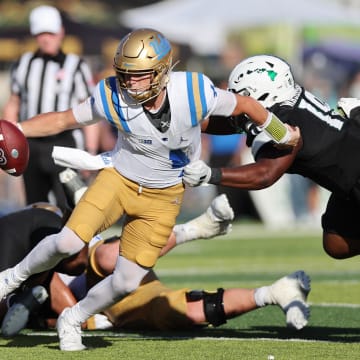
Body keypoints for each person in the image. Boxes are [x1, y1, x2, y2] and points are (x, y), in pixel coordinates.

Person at [0, 29, 299, 351]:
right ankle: (10, 279)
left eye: (139, 75)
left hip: (164, 194)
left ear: (161, 71)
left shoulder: (194, 91)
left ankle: (72, 318)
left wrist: (282, 134)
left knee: (127, 281)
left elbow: (246, 105)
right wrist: (16, 129)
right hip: (119, 179)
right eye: (125, 74)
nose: (130, 82)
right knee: (68, 241)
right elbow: (63, 120)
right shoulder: (112, 94)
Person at [0, 191, 310, 335]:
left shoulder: (51, 245)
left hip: (103, 274)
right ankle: (273, 293)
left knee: (105, 256)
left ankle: (194, 229)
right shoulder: (29, 257)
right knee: (183, 312)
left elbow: (58, 288)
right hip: (110, 307)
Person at [183, 54, 360, 262]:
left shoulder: (287, 121)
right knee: (336, 242)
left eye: (241, 97)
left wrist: (211, 174)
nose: (235, 103)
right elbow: (233, 122)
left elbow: (265, 174)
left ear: (260, 94)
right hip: (348, 180)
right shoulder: (285, 101)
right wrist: (185, 121)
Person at [2, 5, 98, 211]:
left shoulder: (76, 65)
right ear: (35, 35)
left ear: (61, 32)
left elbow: (89, 110)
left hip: (67, 144)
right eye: (41, 33)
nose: (46, 38)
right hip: (32, 145)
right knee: (35, 207)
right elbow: (14, 103)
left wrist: (90, 151)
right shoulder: (23, 64)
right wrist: (7, 142)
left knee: (72, 205)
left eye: (50, 33)